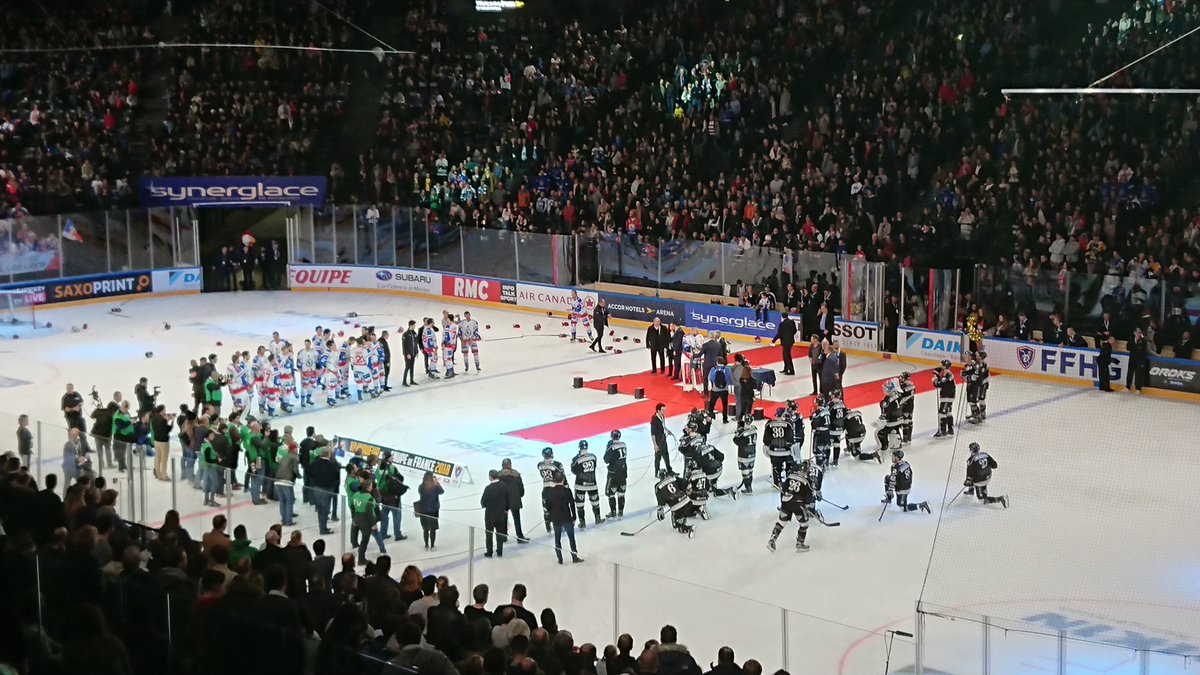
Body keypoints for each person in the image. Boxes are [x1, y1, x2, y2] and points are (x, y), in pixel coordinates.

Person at [767, 462, 815, 552]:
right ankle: (800, 543)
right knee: (804, 524)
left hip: (786, 502)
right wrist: (807, 507)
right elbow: (808, 497)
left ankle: (772, 540)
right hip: (798, 504)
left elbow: (783, 490)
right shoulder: (808, 481)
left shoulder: (789, 477)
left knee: (782, 522)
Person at [546, 471, 582, 564]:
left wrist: (551, 516)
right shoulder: (567, 491)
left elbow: (547, 506)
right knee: (571, 538)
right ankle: (574, 557)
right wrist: (574, 517)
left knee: (557, 539)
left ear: (554, 480)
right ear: (563, 479)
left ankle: (560, 559)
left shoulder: (549, 492)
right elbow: (572, 504)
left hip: (556, 518)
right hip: (566, 517)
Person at [350, 475, 386, 565]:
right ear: (369, 487)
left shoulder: (355, 494)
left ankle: (357, 549)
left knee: (363, 538)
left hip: (357, 518)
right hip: (365, 521)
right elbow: (370, 513)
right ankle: (361, 559)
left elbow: (352, 507)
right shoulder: (369, 498)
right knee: (365, 540)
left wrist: (353, 518)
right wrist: (373, 524)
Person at [882, 450, 931, 514]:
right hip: (907, 485)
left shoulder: (895, 467)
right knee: (887, 478)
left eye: (893, 456)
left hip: (902, 490)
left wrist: (890, 491)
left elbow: (892, 481)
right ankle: (889, 498)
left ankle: (921, 505)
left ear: (897, 458)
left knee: (903, 509)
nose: (891, 458)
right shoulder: (905, 463)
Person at [654, 469, 697, 537]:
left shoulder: (658, 486)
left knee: (676, 525)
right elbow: (685, 483)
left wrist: (660, 511)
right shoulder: (674, 478)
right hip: (687, 501)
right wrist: (688, 490)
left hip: (676, 506)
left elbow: (661, 501)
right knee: (684, 510)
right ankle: (684, 518)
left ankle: (688, 528)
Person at [570, 440, 603, 528]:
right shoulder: (593, 457)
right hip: (592, 484)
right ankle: (598, 519)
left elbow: (574, 471)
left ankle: (582, 523)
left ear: (579, 447)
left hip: (580, 485)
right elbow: (594, 466)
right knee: (595, 503)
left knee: (580, 505)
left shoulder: (576, 459)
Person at [964, 442, 1009, 507]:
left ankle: (1000, 499)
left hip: (979, 481)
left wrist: (967, 482)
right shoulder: (985, 454)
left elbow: (969, 474)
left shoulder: (970, 460)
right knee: (976, 477)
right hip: (988, 477)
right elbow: (995, 465)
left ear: (971, 450)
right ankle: (971, 490)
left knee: (982, 500)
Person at [480, 469, 509, 557]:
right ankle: (500, 551)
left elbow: (483, 501)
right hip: (501, 514)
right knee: (499, 534)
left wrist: (484, 505)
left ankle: (489, 552)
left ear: (490, 477)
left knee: (489, 534)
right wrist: (506, 509)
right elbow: (508, 499)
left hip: (490, 515)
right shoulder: (504, 486)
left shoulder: (488, 489)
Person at [497, 458, 527, 543]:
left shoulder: (499, 475)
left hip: (503, 501)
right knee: (517, 519)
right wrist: (518, 496)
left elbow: (497, 488)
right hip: (515, 500)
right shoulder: (516, 474)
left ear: (502, 465)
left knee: (504, 518)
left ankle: (503, 537)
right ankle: (520, 537)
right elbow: (521, 489)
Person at [536, 447, 565, 533]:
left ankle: (548, 526)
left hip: (545, 489)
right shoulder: (557, 464)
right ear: (551, 454)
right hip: (555, 489)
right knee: (558, 508)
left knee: (546, 509)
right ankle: (559, 525)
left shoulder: (540, 465)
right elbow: (562, 476)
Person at [763, 408, 794, 488]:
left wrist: (766, 446)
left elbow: (766, 439)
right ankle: (788, 483)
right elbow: (790, 439)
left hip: (774, 451)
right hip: (786, 451)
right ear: (783, 414)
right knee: (789, 467)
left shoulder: (769, 424)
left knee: (776, 468)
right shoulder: (788, 424)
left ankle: (777, 484)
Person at [416, 470, 444, 550]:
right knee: (432, 529)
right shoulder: (436, 487)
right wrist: (437, 484)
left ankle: (426, 545)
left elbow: (419, 492)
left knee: (425, 529)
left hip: (423, 510)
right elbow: (442, 492)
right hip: (433, 511)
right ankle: (432, 546)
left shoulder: (421, 486)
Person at [603, 430, 628, 519]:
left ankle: (613, 512)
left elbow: (606, 460)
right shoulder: (624, 445)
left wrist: (608, 448)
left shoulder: (611, 447)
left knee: (611, 494)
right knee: (621, 494)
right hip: (623, 473)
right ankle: (620, 512)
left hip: (613, 474)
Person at [62, 383, 90, 453]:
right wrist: (73, 409)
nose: (68, 390)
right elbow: (65, 409)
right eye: (67, 388)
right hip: (71, 418)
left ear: (72, 388)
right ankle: (72, 449)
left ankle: (86, 448)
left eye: (70, 388)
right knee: (73, 434)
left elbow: (81, 402)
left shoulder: (77, 394)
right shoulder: (65, 397)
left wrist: (79, 406)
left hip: (79, 417)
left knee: (82, 433)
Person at [733, 415, 758, 493]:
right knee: (750, 470)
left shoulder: (741, 431)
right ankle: (749, 486)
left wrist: (741, 444)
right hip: (752, 452)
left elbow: (735, 440)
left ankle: (748, 488)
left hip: (744, 454)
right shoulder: (754, 429)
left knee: (745, 471)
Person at [931, 362, 957, 438]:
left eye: (942, 365)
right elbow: (942, 382)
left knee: (942, 413)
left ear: (945, 366)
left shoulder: (948, 375)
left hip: (947, 396)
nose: (940, 366)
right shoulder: (946, 374)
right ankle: (950, 430)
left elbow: (938, 384)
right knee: (948, 413)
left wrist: (935, 378)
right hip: (948, 396)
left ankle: (942, 431)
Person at [965, 352, 990, 424]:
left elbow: (980, 376)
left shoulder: (983, 365)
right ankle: (975, 413)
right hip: (977, 384)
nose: (975, 356)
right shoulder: (976, 363)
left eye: (977, 355)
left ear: (981, 357)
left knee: (981, 398)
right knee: (974, 398)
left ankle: (982, 413)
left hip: (983, 384)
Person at [706, 357, 731, 424]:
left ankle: (709, 418)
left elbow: (709, 378)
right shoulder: (727, 369)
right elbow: (729, 378)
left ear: (717, 362)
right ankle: (725, 419)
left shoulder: (713, 369)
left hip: (715, 390)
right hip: (724, 390)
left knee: (712, 404)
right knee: (724, 405)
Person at [650, 403, 672, 475]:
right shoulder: (654, 420)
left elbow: (663, 426)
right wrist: (655, 445)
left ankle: (669, 470)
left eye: (664, 410)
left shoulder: (662, 416)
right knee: (658, 457)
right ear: (658, 411)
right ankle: (657, 471)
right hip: (658, 441)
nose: (664, 412)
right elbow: (653, 433)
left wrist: (667, 430)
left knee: (666, 455)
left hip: (663, 438)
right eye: (663, 410)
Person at [1126, 328, 1149, 393]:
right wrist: (1134, 344)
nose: (1138, 334)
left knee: (1138, 374)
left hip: (1139, 360)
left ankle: (1138, 389)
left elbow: (1144, 352)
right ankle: (1128, 387)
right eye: (1137, 333)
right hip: (1132, 359)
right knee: (1130, 373)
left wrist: (1143, 362)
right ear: (1134, 333)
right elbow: (1128, 348)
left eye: (1139, 333)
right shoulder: (1131, 339)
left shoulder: (1143, 341)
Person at [896, 371, 916, 444]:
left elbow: (902, 394)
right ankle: (908, 438)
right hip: (910, 405)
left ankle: (906, 439)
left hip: (906, 406)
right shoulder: (911, 385)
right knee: (909, 421)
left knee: (905, 422)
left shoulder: (907, 386)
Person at [401, 320, 420, 386]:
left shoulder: (415, 333)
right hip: (408, 354)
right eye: (414, 325)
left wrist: (417, 352)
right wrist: (406, 354)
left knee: (412, 367)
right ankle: (404, 381)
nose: (415, 326)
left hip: (413, 353)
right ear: (410, 325)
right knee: (407, 367)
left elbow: (416, 344)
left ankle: (412, 380)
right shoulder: (405, 334)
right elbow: (404, 345)